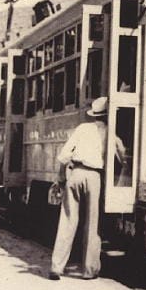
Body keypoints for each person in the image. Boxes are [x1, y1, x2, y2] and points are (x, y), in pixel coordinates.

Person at [48, 96, 124, 280]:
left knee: (67, 220)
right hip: (94, 176)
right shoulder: (111, 134)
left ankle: (56, 267)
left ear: (94, 115)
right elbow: (122, 159)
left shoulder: (82, 128)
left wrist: (60, 178)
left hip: (76, 173)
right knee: (92, 224)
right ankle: (89, 270)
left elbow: (64, 155)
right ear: (108, 115)